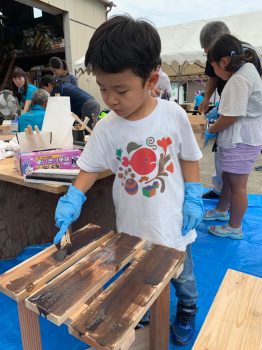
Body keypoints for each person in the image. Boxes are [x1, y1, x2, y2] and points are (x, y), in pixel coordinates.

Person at [52, 15, 204, 345]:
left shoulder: (172, 115)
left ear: (151, 79)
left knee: (183, 279)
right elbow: (89, 168)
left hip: (173, 224)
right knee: (139, 278)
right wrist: (73, 197)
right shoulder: (108, 126)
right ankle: (145, 312)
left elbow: (190, 158)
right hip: (133, 229)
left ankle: (187, 309)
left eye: (121, 90)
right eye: (103, 89)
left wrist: (193, 193)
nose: (111, 100)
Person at [203, 34, 262, 239]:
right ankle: (221, 210)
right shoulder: (248, 69)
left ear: (224, 62)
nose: (216, 74)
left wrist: (211, 129)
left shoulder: (239, 79)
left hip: (242, 138)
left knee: (237, 185)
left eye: (215, 68)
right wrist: (220, 108)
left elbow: (230, 117)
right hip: (243, 136)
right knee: (229, 177)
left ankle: (234, 226)